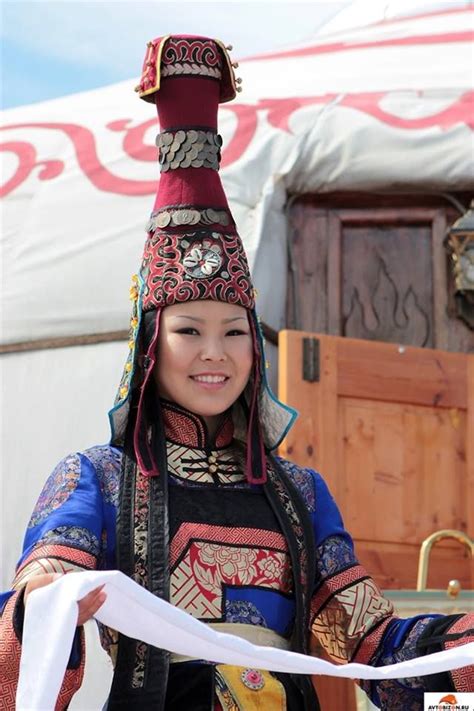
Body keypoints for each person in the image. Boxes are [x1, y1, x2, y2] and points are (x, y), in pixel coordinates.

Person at [1, 34, 472, 711]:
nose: (214, 353)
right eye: (188, 331)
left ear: (257, 348)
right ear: (149, 348)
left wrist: (460, 651)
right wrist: (49, 600)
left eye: (234, 333)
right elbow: (46, 583)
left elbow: (372, 646)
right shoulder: (99, 478)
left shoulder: (299, 493)